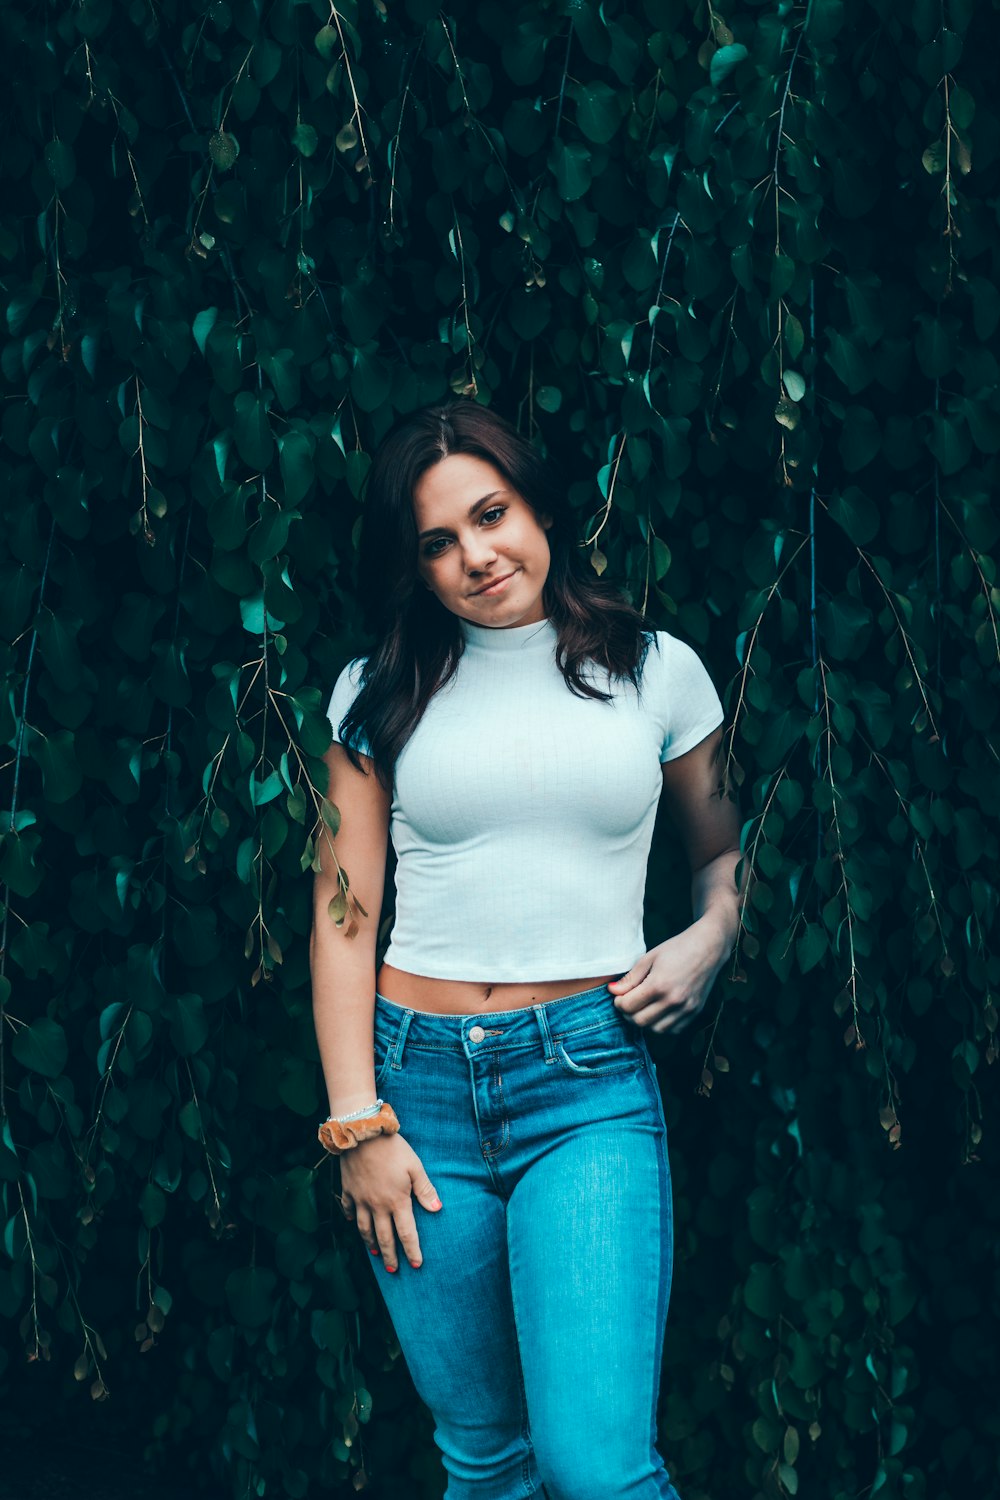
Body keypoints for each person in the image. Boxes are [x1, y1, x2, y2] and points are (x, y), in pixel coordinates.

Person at [310, 399, 744, 1500]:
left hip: (584, 1085)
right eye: (438, 542)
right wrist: (358, 1122)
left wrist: (711, 938)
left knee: (595, 1469)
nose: (475, 555)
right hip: (414, 1096)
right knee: (484, 1465)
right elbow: (341, 910)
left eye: (490, 514)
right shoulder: (375, 693)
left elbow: (726, 857)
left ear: (538, 504)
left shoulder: (659, 672)